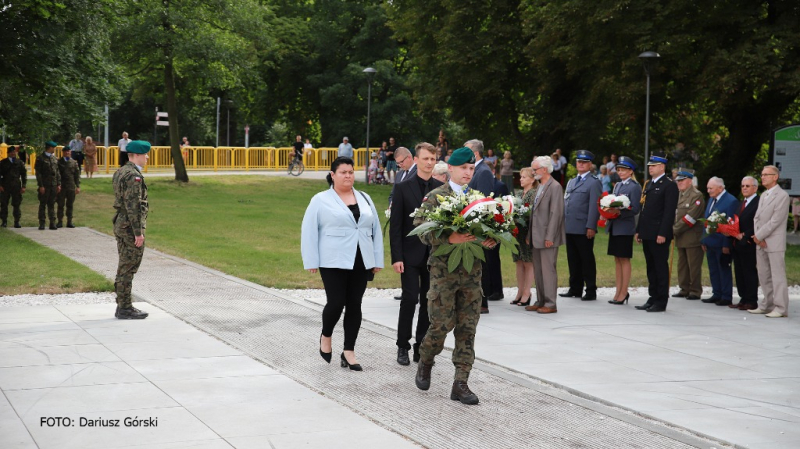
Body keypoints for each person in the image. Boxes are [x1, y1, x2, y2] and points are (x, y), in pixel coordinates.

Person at [413, 147, 496, 405]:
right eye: (464, 168)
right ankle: (426, 359)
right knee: (440, 325)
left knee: (467, 328)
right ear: (451, 168)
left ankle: (461, 383)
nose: (468, 173)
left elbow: (490, 226)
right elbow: (420, 229)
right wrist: (448, 237)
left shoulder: (480, 199)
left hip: (472, 275)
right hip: (443, 273)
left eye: (472, 169)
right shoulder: (436, 197)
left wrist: (490, 239)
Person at [301, 157, 383, 369]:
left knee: (355, 304)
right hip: (333, 259)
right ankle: (326, 335)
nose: (348, 176)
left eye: (351, 172)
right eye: (343, 172)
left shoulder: (364, 197)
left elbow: (375, 230)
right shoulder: (320, 199)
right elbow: (309, 231)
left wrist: (376, 259)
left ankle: (349, 351)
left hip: (361, 259)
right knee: (336, 302)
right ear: (332, 175)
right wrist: (311, 260)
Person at [390, 143, 442, 366]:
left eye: (433, 158)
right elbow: (396, 226)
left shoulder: (442, 188)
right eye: (426, 158)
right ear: (417, 160)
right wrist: (396, 257)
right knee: (409, 299)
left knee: (427, 302)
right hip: (409, 255)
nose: (429, 162)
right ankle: (403, 344)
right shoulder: (403, 187)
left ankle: (421, 345)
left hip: (433, 256)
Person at [112, 140, 152, 319]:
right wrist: (138, 232)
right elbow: (133, 206)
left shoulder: (121, 171)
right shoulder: (133, 176)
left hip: (121, 223)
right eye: (145, 155)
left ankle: (122, 304)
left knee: (124, 266)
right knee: (128, 267)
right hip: (129, 226)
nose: (147, 157)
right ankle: (125, 308)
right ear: (135, 155)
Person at [634, 153, 679, 312]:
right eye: (649, 166)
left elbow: (669, 212)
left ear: (662, 167)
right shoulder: (649, 184)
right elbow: (643, 209)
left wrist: (663, 233)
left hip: (659, 233)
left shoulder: (669, 185)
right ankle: (653, 296)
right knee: (650, 267)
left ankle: (661, 300)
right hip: (647, 231)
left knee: (660, 267)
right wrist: (639, 230)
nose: (650, 168)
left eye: (653, 165)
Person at [525, 156, 566, 314]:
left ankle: (550, 303)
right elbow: (534, 213)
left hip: (548, 236)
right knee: (539, 270)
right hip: (536, 235)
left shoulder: (554, 187)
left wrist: (550, 236)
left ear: (544, 169)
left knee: (548, 270)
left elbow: (556, 214)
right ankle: (540, 300)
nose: (533, 172)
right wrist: (530, 234)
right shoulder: (539, 186)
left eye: (535, 169)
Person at [560, 150, 602, 301]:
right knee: (573, 259)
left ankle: (590, 290)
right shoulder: (572, 181)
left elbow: (594, 206)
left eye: (584, 162)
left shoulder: (594, 182)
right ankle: (575, 288)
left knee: (586, 259)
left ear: (590, 164)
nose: (581, 164)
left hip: (584, 227)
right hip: (570, 226)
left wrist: (591, 226)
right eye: (579, 162)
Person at [749, 165, 790, 318]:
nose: (763, 177)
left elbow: (776, 220)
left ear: (775, 177)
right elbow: (757, 218)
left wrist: (759, 236)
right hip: (761, 241)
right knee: (764, 274)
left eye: (767, 174)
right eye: (762, 174)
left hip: (773, 241)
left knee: (777, 275)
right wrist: (758, 237)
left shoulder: (782, 196)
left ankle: (780, 308)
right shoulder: (764, 195)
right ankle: (767, 304)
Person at [466, 139, 501, 312]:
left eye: (467, 151)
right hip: (471, 224)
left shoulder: (484, 172)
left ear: (475, 153)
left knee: (483, 264)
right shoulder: (474, 170)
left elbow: (484, 200)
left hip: (479, 226)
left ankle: (483, 302)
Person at [606, 156, 641, 305]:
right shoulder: (618, 186)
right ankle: (618, 291)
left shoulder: (634, 187)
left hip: (625, 227)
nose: (620, 172)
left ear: (630, 171)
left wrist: (620, 212)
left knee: (624, 259)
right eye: (619, 169)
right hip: (615, 226)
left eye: (624, 170)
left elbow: (635, 208)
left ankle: (624, 291)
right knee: (617, 259)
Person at [700, 177, 738, 306]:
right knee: (713, 269)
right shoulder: (712, 199)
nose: (708, 191)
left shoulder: (731, 201)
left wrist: (726, 244)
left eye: (711, 188)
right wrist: (704, 240)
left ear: (720, 188)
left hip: (722, 242)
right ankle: (717, 293)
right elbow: (706, 219)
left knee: (723, 268)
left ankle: (726, 296)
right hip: (710, 241)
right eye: (708, 188)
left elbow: (731, 224)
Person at [671, 169, 705, 301]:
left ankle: (695, 291)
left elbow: (690, 218)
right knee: (682, 264)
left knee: (693, 265)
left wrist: (674, 229)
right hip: (680, 235)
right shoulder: (679, 194)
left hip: (692, 236)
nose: (679, 183)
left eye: (682, 180)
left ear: (690, 181)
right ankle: (684, 288)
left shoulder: (696, 195)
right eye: (678, 180)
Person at [728, 176, 760, 310]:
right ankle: (743, 298)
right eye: (743, 186)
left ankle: (751, 300)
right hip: (737, 243)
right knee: (739, 272)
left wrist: (745, 234)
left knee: (749, 271)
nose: (744, 188)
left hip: (748, 242)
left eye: (747, 186)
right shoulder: (742, 203)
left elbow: (758, 223)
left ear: (755, 188)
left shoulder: (758, 203)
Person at [511, 167, 538, 306]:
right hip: (517, 232)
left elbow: (533, 215)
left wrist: (530, 234)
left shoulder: (534, 193)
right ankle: (520, 291)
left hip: (527, 231)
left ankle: (527, 292)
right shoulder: (520, 193)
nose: (521, 179)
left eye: (524, 177)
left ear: (532, 179)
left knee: (528, 262)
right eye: (520, 177)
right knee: (519, 261)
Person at [35, 141, 61, 230]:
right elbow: (38, 174)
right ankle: (42, 223)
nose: (54, 149)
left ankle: (52, 223)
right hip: (45, 185)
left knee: (52, 204)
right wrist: (41, 185)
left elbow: (57, 172)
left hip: (53, 185)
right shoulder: (40, 158)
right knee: (43, 204)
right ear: (49, 148)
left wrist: (58, 184)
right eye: (53, 148)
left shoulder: (54, 158)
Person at [0, 146, 27, 228]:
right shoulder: (3, 162)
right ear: (8, 153)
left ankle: (17, 221)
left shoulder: (19, 162)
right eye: (11, 152)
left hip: (16, 186)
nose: (13, 153)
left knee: (16, 204)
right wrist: (0, 185)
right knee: (4, 204)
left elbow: (23, 175)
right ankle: (4, 221)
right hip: (5, 185)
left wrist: (24, 186)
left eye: (14, 152)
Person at [56, 146, 81, 228]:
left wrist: (78, 186)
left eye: (68, 151)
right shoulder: (59, 162)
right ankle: (60, 221)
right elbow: (56, 174)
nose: (67, 153)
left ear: (70, 152)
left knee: (70, 205)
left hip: (70, 186)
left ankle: (69, 221)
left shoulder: (74, 162)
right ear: (63, 152)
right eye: (65, 151)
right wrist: (57, 185)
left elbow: (77, 175)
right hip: (62, 186)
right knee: (60, 204)